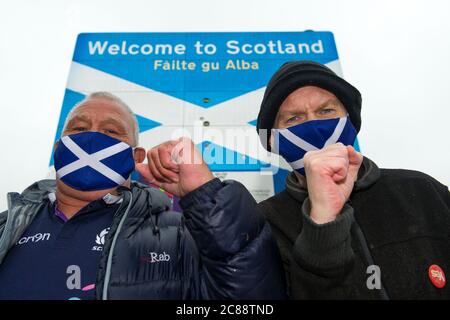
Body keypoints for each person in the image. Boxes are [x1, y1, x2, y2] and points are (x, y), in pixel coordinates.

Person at [0, 92, 286, 300]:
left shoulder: (178, 234)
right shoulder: (6, 227)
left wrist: (204, 193)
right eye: (79, 128)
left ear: (135, 156)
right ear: (58, 147)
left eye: (111, 131)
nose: (91, 137)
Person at [256, 61, 450, 299]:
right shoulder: (263, 225)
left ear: (350, 120)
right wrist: (322, 224)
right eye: (293, 118)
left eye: (326, 111)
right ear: (273, 141)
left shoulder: (423, 191)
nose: (312, 124)